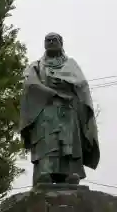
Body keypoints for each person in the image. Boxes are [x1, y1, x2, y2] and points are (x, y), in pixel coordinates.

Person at [20, 32, 100, 186]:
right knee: (47, 141)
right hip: (44, 109)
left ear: (61, 43)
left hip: (68, 109)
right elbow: (30, 85)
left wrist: (67, 87)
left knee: (69, 143)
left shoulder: (71, 64)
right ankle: (45, 173)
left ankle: (71, 173)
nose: (51, 42)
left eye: (54, 40)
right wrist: (49, 91)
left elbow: (82, 85)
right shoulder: (36, 66)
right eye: (47, 40)